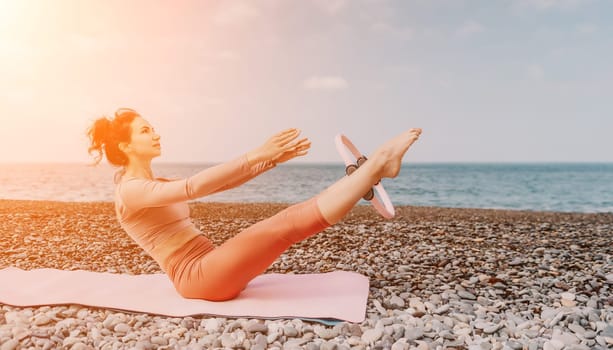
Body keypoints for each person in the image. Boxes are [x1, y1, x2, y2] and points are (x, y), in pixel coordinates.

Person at [87, 108, 422, 301]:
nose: (156, 134)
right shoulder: (130, 191)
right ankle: (377, 165)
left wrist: (268, 162)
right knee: (286, 224)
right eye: (146, 131)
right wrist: (255, 154)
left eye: (153, 129)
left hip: (210, 265)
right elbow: (195, 186)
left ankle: (371, 171)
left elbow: (219, 185)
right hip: (198, 278)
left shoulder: (151, 184)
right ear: (125, 145)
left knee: (285, 224)